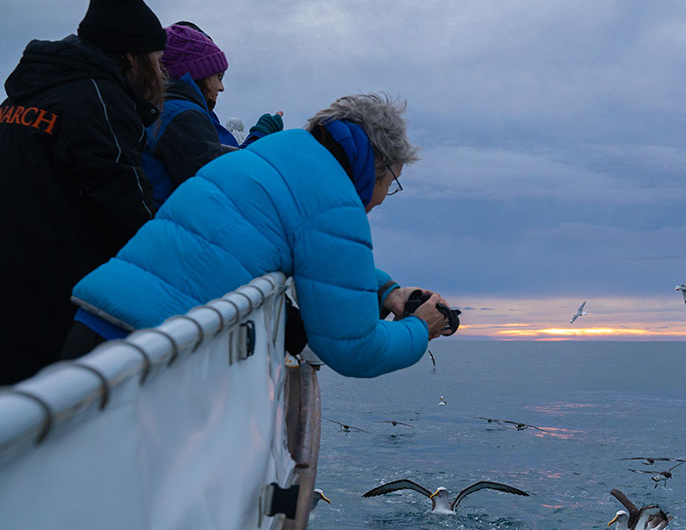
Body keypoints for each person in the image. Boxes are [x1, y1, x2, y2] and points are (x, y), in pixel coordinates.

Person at [68, 93, 453, 377]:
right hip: (147, 355)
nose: (383, 199)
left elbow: (317, 255)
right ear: (377, 165)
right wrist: (420, 327)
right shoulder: (335, 202)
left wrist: (386, 290)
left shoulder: (278, 152)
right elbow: (355, 349)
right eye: (392, 182)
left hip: (94, 323)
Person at [0, 0, 166, 385]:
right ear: (131, 58)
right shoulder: (99, 101)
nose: (161, 74)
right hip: (52, 309)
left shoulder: (21, 97)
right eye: (156, 61)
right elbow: (130, 213)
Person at [143, 22, 284, 208]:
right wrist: (263, 136)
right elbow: (227, 181)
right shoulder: (181, 116)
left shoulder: (173, 111)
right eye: (218, 77)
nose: (221, 88)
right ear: (197, 74)